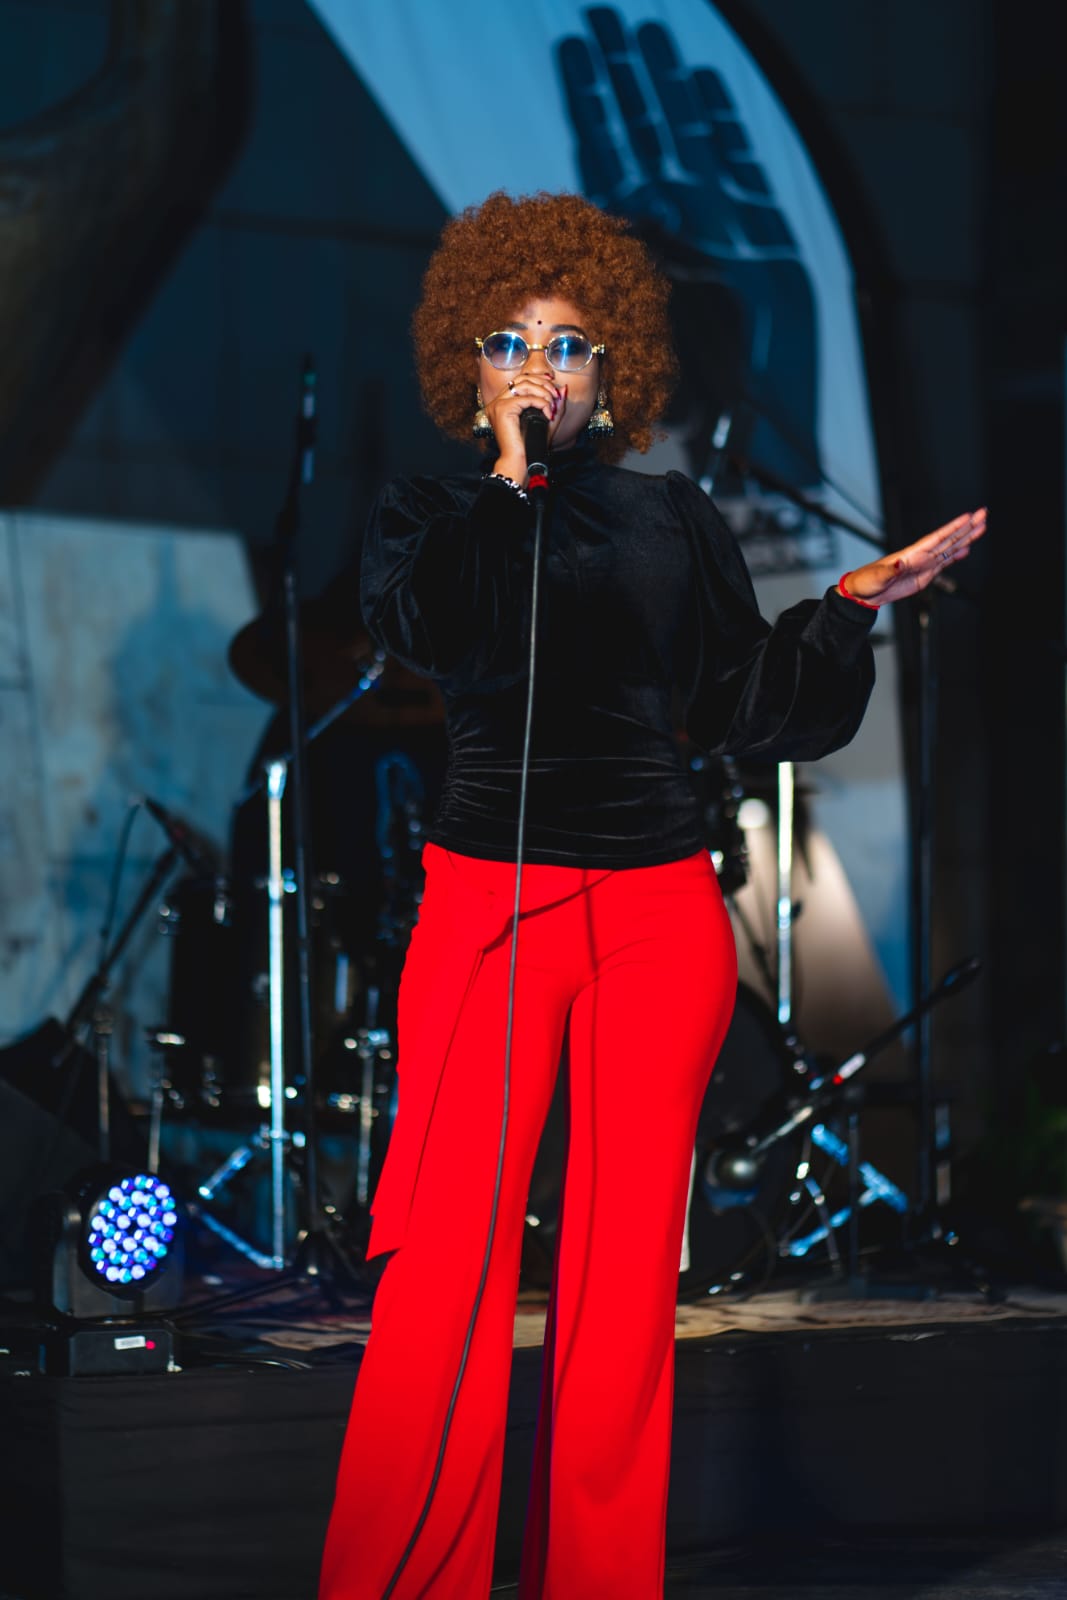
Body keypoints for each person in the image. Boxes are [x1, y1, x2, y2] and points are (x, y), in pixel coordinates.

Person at [319, 191, 985, 1600]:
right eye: (512, 342)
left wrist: (852, 604)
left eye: (568, 343)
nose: (541, 367)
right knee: (444, 1268)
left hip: (656, 916)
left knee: (622, 1291)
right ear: (472, 368)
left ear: (611, 368)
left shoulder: (670, 517)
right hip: (489, 910)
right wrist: (508, 483)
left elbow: (745, 698)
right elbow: (431, 627)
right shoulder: (432, 515)